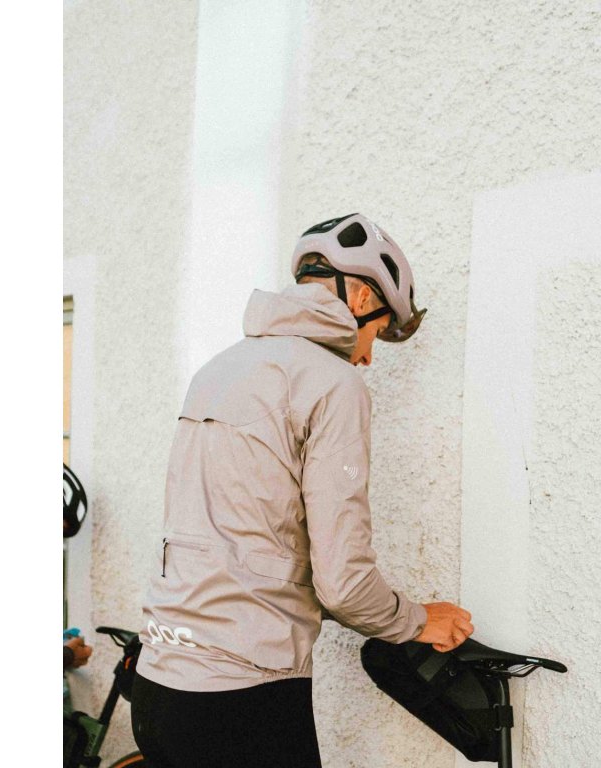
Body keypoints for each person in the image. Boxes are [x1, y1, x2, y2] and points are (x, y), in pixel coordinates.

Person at [131, 213, 474, 768]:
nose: (368, 355)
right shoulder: (333, 382)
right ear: (361, 297)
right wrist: (416, 620)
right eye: (376, 332)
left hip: (157, 685)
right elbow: (342, 584)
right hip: (242, 699)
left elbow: (248, 549)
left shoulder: (217, 370)